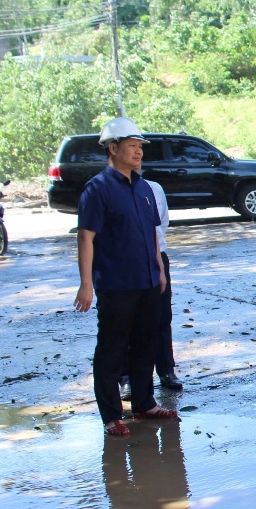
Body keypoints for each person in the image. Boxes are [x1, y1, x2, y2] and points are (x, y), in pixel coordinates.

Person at [73, 117, 178, 437]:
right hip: (116, 284)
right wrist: (86, 283)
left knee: (146, 343)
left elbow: (153, 233)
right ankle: (112, 415)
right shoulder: (97, 189)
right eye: (132, 146)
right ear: (113, 148)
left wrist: (159, 269)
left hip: (148, 280)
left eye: (140, 146)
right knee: (112, 349)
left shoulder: (144, 188)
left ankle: (144, 403)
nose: (138, 152)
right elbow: (85, 237)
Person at [119, 179, 183, 400]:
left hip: (156, 257)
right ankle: (127, 377)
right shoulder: (107, 188)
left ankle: (166, 370)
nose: (137, 161)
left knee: (162, 316)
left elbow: (161, 223)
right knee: (128, 319)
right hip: (127, 259)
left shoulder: (153, 188)